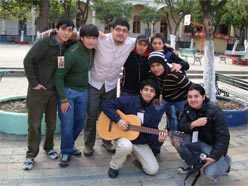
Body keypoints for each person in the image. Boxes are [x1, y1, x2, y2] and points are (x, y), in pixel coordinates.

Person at [23, 16, 75, 170]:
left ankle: (49, 147)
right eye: (63, 29)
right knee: (34, 124)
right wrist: (34, 83)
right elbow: (28, 61)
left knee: (51, 124)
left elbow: (81, 35)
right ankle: (31, 155)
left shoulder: (66, 45)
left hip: (54, 92)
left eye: (69, 30)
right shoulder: (45, 42)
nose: (66, 32)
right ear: (57, 29)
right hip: (38, 92)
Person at [83, 18, 136, 156]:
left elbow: (149, 43)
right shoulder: (101, 39)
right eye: (117, 29)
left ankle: (106, 141)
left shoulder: (130, 43)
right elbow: (78, 34)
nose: (121, 33)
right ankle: (89, 144)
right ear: (111, 30)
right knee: (91, 116)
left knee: (108, 114)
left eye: (124, 31)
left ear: (128, 33)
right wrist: (53, 31)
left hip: (111, 86)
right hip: (94, 83)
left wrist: (170, 50)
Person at [101, 79, 168, 178]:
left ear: (155, 94)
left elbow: (151, 137)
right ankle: (114, 166)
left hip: (139, 142)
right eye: (146, 89)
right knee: (126, 146)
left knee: (153, 170)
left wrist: (159, 140)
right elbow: (106, 105)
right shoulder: (128, 100)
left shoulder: (154, 113)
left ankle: (136, 156)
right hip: (122, 137)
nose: (148, 93)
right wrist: (118, 120)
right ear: (141, 91)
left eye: (152, 91)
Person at [54, 24, 99, 167]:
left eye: (94, 38)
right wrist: (63, 99)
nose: (91, 41)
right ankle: (66, 151)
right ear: (82, 38)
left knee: (79, 122)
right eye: (88, 38)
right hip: (68, 93)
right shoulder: (71, 54)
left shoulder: (91, 50)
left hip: (83, 92)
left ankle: (69, 144)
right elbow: (58, 77)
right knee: (67, 123)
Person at [175, 84, 231, 184]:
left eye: (196, 96)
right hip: (198, 141)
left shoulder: (214, 111)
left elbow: (223, 137)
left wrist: (213, 157)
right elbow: (181, 126)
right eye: (190, 97)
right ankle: (193, 164)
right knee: (176, 138)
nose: (193, 99)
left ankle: (226, 162)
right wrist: (193, 124)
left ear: (203, 97)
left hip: (213, 147)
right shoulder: (187, 108)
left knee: (209, 173)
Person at [151, 33, 189, 132]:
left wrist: (179, 66)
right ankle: (152, 133)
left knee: (174, 116)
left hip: (177, 92)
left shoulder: (170, 54)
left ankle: (175, 134)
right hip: (164, 95)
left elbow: (185, 64)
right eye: (154, 43)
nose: (157, 46)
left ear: (164, 44)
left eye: (160, 43)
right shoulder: (151, 55)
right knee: (156, 114)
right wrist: (156, 96)